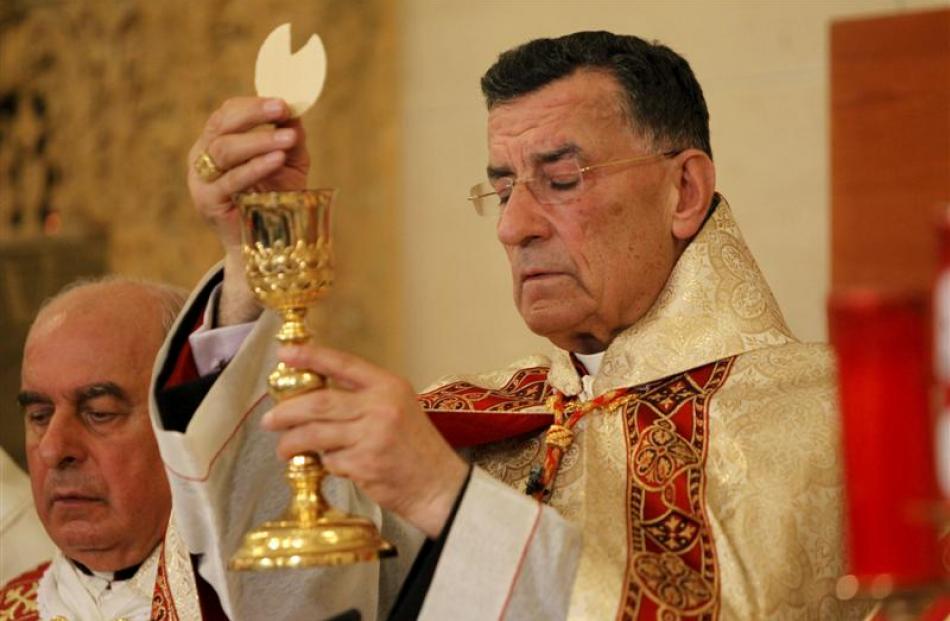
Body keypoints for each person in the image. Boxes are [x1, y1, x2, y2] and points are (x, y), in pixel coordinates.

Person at [155, 31, 867, 619]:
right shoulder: (471, 417)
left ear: (683, 191)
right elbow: (269, 588)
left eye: (561, 181)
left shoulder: (832, 418)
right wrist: (252, 263)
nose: (514, 226)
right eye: (501, 189)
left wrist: (449, 502)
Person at [0, 277, 222, 620]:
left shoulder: (259, 604)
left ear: (187, 423)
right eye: (40, 416)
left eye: (99, 413)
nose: (53, 449)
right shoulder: (10, 606)